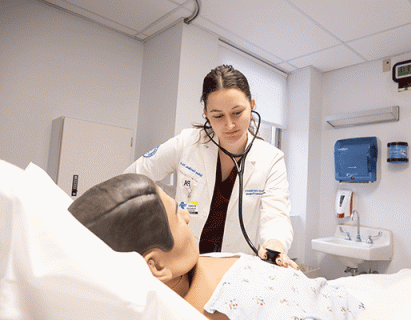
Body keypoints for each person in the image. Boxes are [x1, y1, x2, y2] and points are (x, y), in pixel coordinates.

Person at [68, 174, 364, 320]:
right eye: (177, 216)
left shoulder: (189, 265)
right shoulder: (214, 309)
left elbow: (275, 210)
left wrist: (271, 250)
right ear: (157, 266)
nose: (186, 216)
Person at [124, 65, 294, 267]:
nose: (229, 125)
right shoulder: (188, 143)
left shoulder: (271, 158)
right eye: (218, 116)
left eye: (237, 112)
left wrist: (274, 244)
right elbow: (132, 178)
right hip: (183, 258)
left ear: (252, 105)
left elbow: (276, 215)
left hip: (232, 265)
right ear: (206, 114)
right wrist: (164, 208)